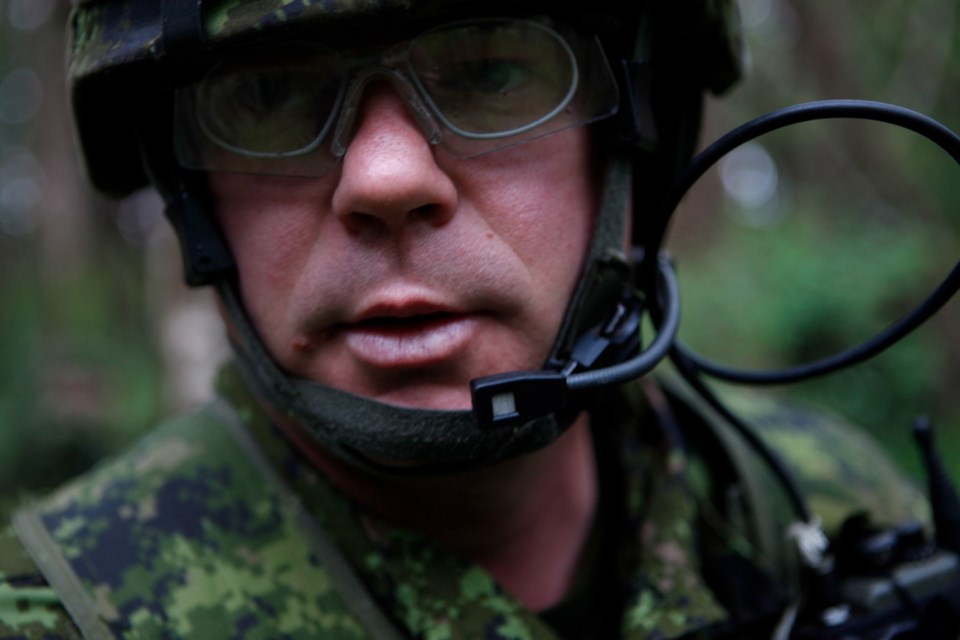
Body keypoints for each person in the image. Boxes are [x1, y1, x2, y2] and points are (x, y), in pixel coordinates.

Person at [0, 1, 940, 638]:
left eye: (491, 73)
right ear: (191, 198)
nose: (385, 178)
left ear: (634, 140)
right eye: (272, 95)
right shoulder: (54, 612)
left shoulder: (828, 498)